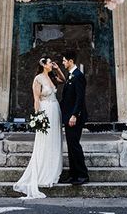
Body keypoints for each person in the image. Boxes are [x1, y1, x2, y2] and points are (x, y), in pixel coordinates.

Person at [12, 56, 65, 199]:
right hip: (45, 109)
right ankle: (43, 171)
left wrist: (58, 69)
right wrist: (38, 117)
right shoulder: (38, 79)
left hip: (55, 110)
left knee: (54, 140)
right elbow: (36, 99)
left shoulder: (52, 77)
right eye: (50, 63)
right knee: (45, 140)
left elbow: (63, 80)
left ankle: (53, 170)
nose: (51, 64)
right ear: (44, 65)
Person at [60, 52, 89, 185]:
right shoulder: (71, 75)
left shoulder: (78, 76)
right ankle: (73, 174)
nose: (63, 63)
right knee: (71, 146)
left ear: (71, 61)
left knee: (75, 145)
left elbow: (80, 97)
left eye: (65, 61)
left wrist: (74, 115)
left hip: (74, 117)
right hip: (68, 117)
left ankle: (82, 175)